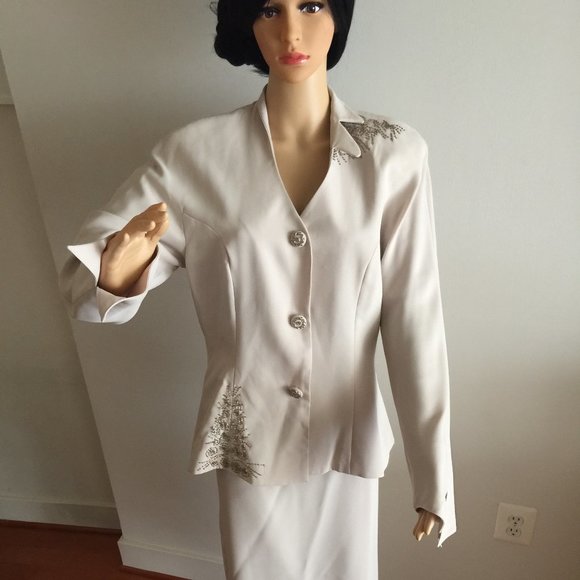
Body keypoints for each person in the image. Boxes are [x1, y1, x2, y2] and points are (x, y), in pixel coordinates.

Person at [59, 1, 456, 578]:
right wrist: (117, 269)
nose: (291, 30)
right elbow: (83, 288)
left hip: (346, 437)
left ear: (338, 15)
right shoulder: (195, 154)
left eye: (311, 5)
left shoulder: (394, 154)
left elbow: (415, 319)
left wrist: (434, 476)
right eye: (270, 9)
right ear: (247, 20)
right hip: (249, 437)